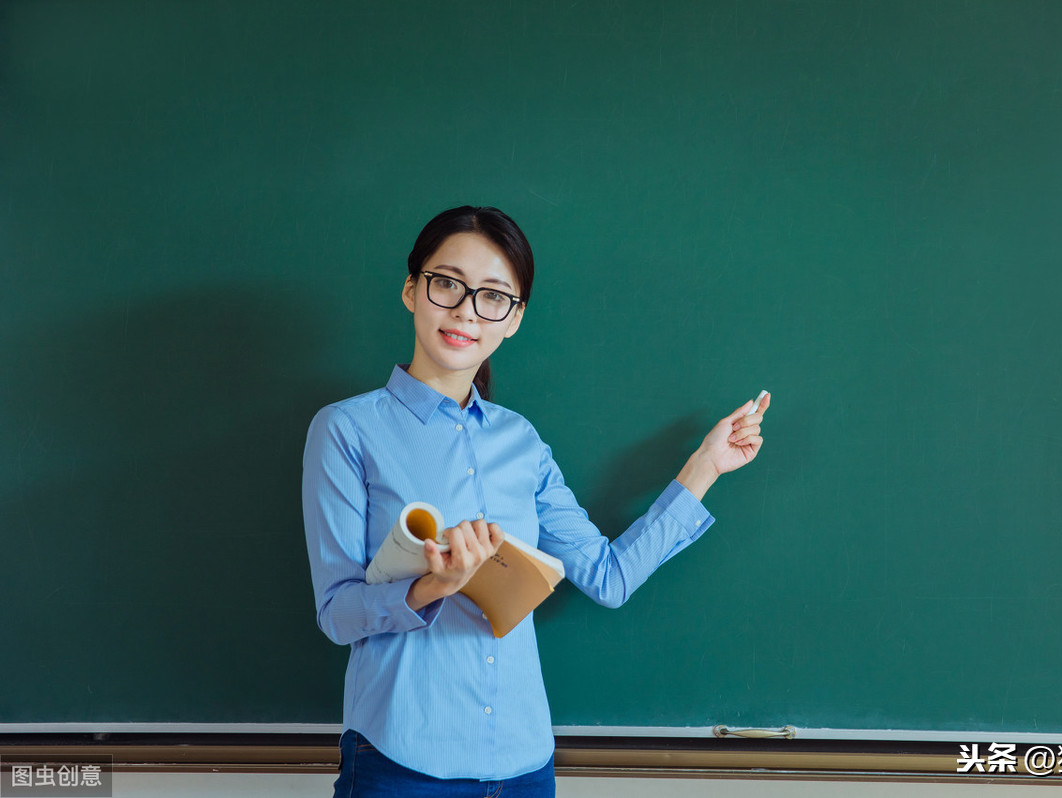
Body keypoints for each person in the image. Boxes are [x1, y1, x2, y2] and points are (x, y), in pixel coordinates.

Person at [302, 206, 771, 797]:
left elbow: (608, 577)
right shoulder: (346, 430)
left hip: (524, 765)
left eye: (493, 297)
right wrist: (433, 587)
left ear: (514, 319)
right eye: (447, 284)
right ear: (411, 290)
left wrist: (705, 466)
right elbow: (338, 613)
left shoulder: (520, 441)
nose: (466, 311)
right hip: (402, 764)